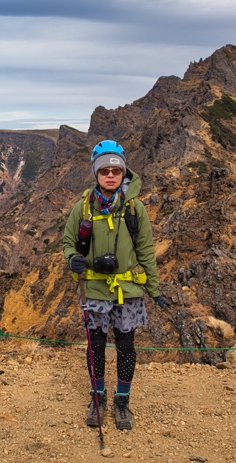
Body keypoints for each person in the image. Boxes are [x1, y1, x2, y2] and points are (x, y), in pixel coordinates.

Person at [62, 140, 169, 431]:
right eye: (104, 170)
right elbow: (68, 243)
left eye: (116, 170)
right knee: (95, 346)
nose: (110, 175)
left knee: (126, 347)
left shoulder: (135, 209)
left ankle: (122, 403)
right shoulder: (81, 209)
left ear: (124, 173)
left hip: (128, 290)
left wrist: (155, 290)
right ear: (95, 173)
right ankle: (98, 399)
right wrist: (73, 259)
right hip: (95, 289)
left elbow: (147, 250)